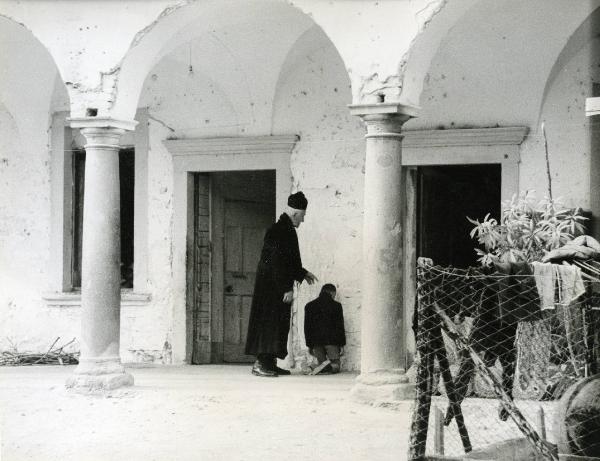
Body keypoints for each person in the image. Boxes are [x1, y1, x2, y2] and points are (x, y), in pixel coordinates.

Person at [245, 191, 318, 377]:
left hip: (274, 286)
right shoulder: (279, 230)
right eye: (302, 216)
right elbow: (277, 263)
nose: (302, 220)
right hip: (272, 289)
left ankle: (269, 363)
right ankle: (260, 364)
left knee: (277, 324)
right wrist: (286, 288)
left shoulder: (285, 229)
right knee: (269, 324)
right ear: (295, 214)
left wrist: (303, 273)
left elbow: (287, 261)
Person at [304, 283, 346, 374]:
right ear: (332, 293)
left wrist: (309, 345)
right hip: (332, 342)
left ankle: (319, 367)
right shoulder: (336, 306)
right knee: (336, 364)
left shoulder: (309, 306)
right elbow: (340, 326)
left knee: (322, 363)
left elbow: (307, 328)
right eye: (334, 295)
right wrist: (342, 344)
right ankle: (326, 368)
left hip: (316, 343)